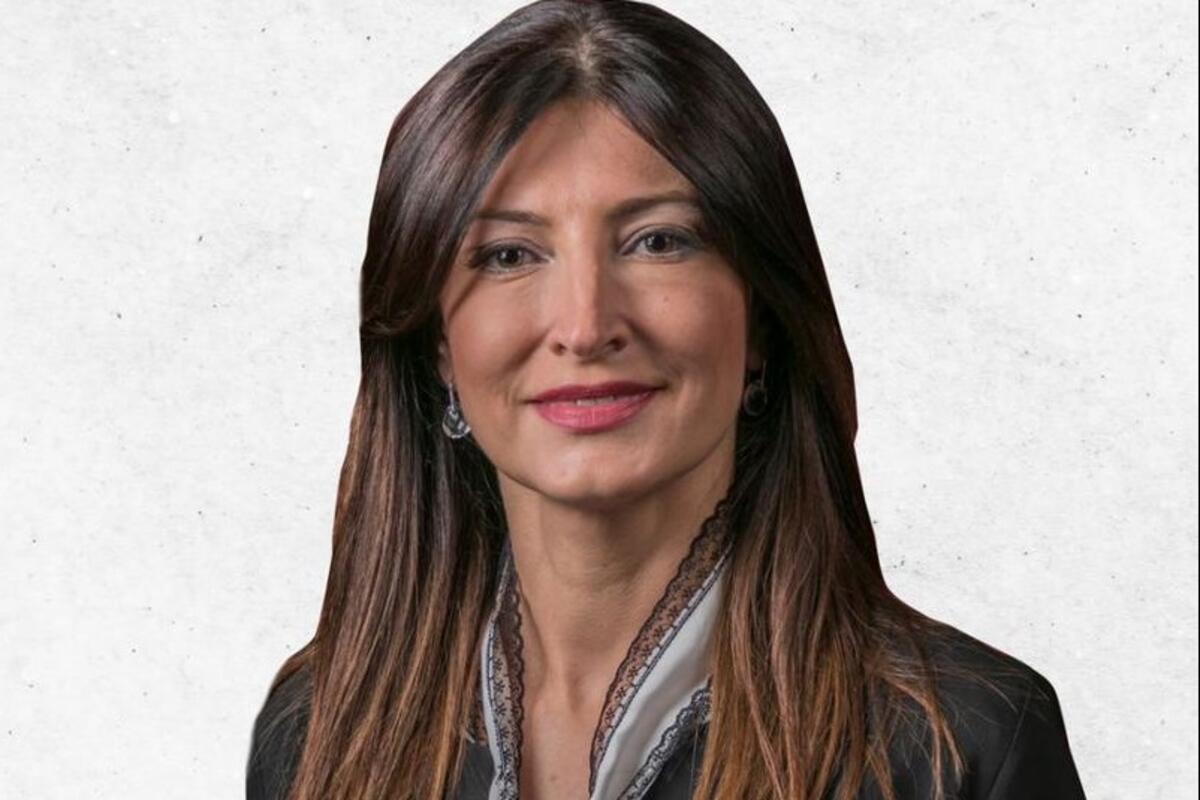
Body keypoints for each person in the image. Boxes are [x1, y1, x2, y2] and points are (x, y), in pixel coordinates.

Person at [245, 1, 1088, 798]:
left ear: (760, 320)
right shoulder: (318, 730)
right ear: (437, 341)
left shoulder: (962, 747)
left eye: (658, 241)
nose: (585, 326)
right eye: (508, 255)